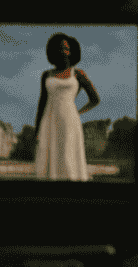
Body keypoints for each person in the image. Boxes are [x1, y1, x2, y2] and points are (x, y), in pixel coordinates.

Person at [32, 32, 100, 181]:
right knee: (50, 157)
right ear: (53, 51)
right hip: (49, 121)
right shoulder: (46, 75)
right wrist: (36, 131)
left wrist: (80, 111)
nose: (64, 51)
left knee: (68, 156)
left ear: (72, 51)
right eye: (60, 48)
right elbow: (41, 103)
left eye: (67, 48)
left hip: (70, 121)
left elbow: (95, 99)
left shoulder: (78, 74)